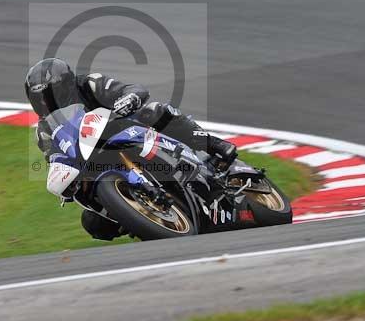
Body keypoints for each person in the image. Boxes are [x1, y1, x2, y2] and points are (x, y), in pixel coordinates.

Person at [24, 58, 238, 240]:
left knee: (155, 111)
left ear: (66, 86)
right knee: (92, 223)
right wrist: (64, 182)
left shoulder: (90, 84)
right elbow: (55, 158)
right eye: (39, 99)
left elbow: (132, 90)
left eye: (49, 96)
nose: (45, 103)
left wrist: (129, 99)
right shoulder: (44, 130)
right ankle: (140, 216)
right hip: (92, 162)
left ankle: (213, 144)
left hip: (123, 129)